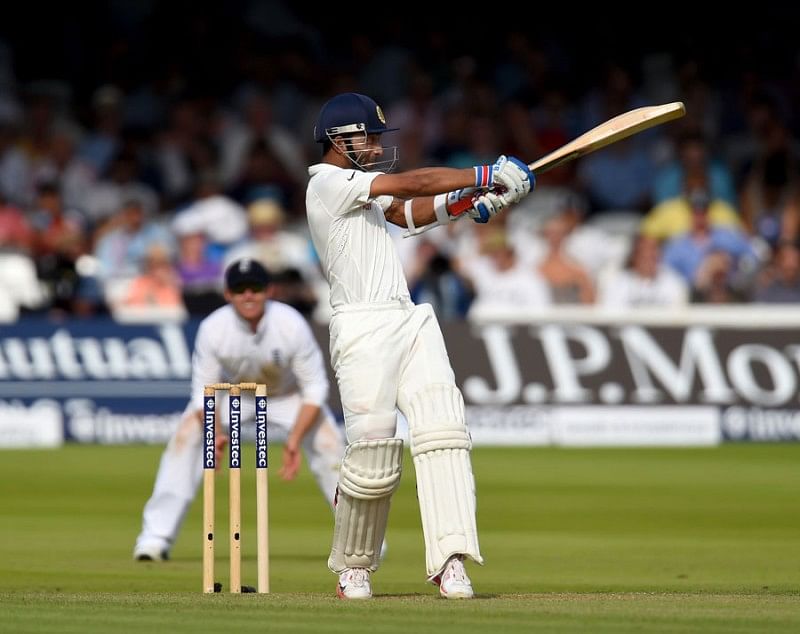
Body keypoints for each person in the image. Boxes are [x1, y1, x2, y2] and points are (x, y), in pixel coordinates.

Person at [305, 92, 534, 600]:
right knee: (372, 453)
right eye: (367, 136)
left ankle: (450, 562)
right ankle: (355, 568)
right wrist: (482, 175)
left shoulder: (363, 192)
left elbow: (407, 213)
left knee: (444, 433)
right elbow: (412, 182)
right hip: (361, 328)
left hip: (408, 319)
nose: (375, 145)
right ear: (339, 139)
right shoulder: (325, 184)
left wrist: (466, 202)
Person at [133, 258, 344, 561]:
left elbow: (315, 389)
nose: (248, 295)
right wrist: (216, 433)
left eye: (255, 288)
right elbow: (202, 392)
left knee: (330, 444)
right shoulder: (213, 328)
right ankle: (155, 538)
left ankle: (359, 544)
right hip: (236, 396)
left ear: (268, 291)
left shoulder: (290, 324)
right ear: (228, 294)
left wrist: (295, 438)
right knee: (187, 436)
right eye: (239, 289)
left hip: (287, 396)